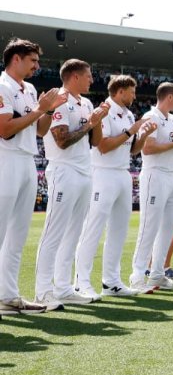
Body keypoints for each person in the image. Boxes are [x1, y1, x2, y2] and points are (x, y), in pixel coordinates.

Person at [0, 38, 66, 316]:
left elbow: (40, 131)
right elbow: (4, 128)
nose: (37, 66)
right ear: (16, 58)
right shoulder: (3, 85)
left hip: (27, 159)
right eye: (32, 61)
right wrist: (40, 109)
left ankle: (8, 295)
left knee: (17, 235)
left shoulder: (29, 89)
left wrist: (48, 110)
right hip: (6, 159)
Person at [34, 60, 106, 308]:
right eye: (88, 76)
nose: (92, 80)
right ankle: (43, 292)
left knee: (73, 233)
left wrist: (98, 121)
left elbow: (95, 142)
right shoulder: (60, 100)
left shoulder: (85, 102)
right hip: (64, 170)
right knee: (53, 232)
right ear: (74, 76)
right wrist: (89, 123)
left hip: (84, 170)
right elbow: (62, 140)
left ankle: (63, 288)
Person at [75, 73, 154, 297]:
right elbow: (103, 146)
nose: (134, 95)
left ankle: (112, 281)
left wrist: (143, 136)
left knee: (119, 230)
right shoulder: (105, 110)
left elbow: (131, 149)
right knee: (93, 228)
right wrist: (131, 131)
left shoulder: (128, 114)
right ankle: (81, 281)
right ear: (120, 91)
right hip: (103, 173)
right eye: (132, 91)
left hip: (122, 172)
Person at [131, 82, 173, 291]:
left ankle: (157, 274)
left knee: (168, 227)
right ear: (170, 97)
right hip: (155, 175)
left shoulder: (172, 119)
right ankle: (137, 275)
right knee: (149, 226)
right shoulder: (151, 116)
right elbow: (148, 148)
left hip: (172, 175)